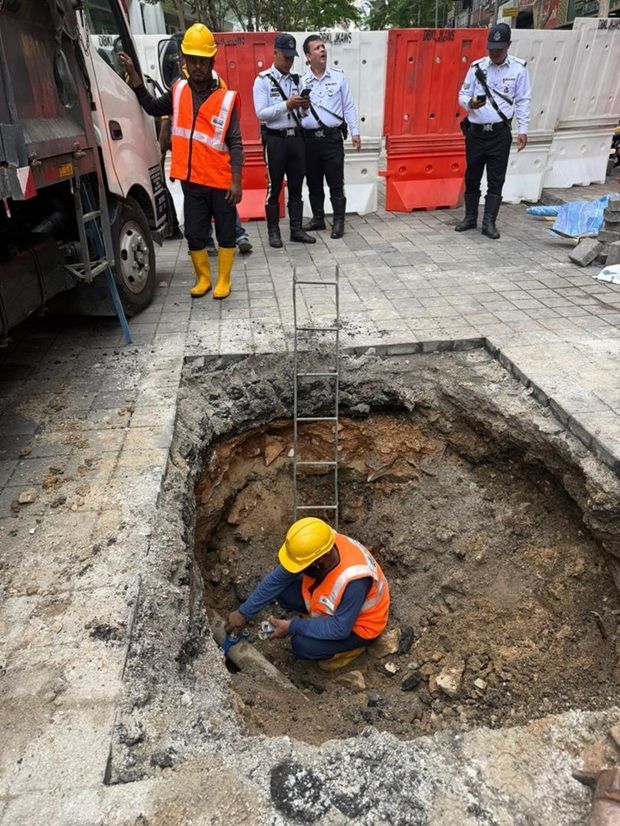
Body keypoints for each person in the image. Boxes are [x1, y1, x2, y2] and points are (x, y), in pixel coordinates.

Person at [118, 24, 242, 299]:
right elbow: (150, 106)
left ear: (212, 61)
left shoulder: (226, 98)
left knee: (225, 233)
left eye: (202, 60)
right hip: (192, 181)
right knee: (195, 235)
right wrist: (136, 79)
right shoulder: (178, 91)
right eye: (192, 60)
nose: (197, 66)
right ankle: (204, 279)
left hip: (221, 182)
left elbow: (235, 141)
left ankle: (223, 280)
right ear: (184, 61)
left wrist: (236, 180)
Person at [226, 517, 390, 671]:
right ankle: (315, 622)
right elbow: (278, 580)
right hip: (332, 603)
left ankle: (349, 651)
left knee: (302, 645)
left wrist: (292, 626)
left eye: (302, 565)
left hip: (358, 626)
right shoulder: (320, 542)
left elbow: (340, 628)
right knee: (282, 591)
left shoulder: (355, 581)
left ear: (321, 559)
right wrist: (244, 612)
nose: (297, 569)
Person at [456, 23, 531, 240]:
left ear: (508, 45)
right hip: (476, 132)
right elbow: (461, 95)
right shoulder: (476, 67)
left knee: (496, 179)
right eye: (491, 48)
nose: (495, 52)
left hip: (500, 133)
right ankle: (470, 217)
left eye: (499, 48)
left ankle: (489, 222)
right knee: (472, 175)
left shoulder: (519, 69)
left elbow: (524, 100)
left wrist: (523, 129)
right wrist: (469, 103)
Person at [253, 33, 316, 248]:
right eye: (285, 57)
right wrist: (286, 105)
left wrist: (304, 107)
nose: (289, 62)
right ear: (275, 53)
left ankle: (296, 230)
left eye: (292, 58)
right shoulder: (262, 80)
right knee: (275, 186)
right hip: (276, 140)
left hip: (296, 138)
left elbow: (303, 116)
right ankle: (273, 232)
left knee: (297, 185)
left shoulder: (297, 79)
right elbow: (261, 113)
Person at [300, 35, 361, 239]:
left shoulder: (338, 77)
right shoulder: (301, 81)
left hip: (332, 138)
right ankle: (318, 218)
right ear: (308, 56)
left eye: (323, 47)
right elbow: (298, 114)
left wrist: (355, 132)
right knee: (314, 181)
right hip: (309, 140)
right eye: (317, 48)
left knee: (336, 181)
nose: (322, 50)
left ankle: (338, 221)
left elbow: (349, 106)